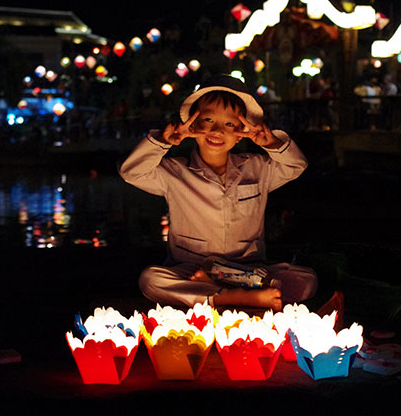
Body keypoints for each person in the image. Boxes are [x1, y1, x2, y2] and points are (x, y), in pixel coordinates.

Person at [119, 75, 318, 312]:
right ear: (192, 125)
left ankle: (217, 291)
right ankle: (235, 297)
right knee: (151, 280)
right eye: (208, 120)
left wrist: (271, 143)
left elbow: (295, 166)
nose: (216, 131)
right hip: (192, 268)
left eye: (229, 125)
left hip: (248, 270)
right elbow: (132, 172)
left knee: (307, 280)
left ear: (242, 132)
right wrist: (163, 141)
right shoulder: (175, 172)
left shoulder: (257, 168)